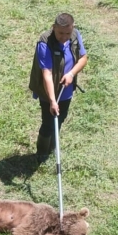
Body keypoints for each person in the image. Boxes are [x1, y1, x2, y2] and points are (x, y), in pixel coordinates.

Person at [28, 13, 88, 163]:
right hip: (49, 92)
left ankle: (53, 147)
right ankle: (41, 153)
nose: (64, 37)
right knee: (48, 122)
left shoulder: (75, 36)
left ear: (72, 28)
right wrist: (53, 101)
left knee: (60, 119)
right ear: (53, 27)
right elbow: (46, 73)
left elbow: (83, 58)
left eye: (67, 33)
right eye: (60, 33)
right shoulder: (44, 43)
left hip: (66, 90)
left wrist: (71, 74)